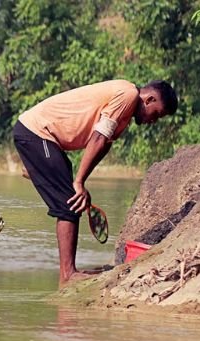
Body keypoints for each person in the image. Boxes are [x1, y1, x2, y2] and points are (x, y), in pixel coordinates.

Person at [13, 79, 178, 286]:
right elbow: (98, 138)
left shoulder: (125, 111)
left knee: (71, 196)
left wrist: (81, 181)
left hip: (45, 140)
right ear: (149, 99)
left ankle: (39, 169)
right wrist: (79, 183)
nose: (153, 121)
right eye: (156, 114)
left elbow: (103, 146)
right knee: (68, 204)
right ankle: (68, 275)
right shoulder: (128, 95)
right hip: (37, 132)